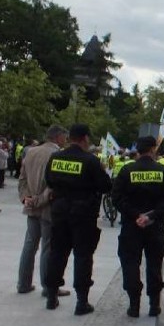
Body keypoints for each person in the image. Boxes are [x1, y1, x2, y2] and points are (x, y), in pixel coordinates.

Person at [44, 124, 112, 314]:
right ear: (84, 139)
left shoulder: (55, 157)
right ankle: (82, 301)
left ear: (69, 138)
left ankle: (51, 297)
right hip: (83, 214)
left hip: (59, 211)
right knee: (83, 256)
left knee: (57, 253)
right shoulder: (90, 161)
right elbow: (106, 186)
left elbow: (48, 180)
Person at [112, 136, 164, 317]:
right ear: (153, 149)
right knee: (155, 264)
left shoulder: (126, 170)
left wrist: (135, 215)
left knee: (130, 263)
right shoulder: (162, 171)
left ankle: (134, 305)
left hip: (131, 226)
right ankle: (154, 305)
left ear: (138, 150)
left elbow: (116, 197)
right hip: (154, 226)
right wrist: (151, 215)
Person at [16, 125, 70, 298]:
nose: (66, 140)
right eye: (65, 137)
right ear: (58, 137)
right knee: (48, 247)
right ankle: (48, 286)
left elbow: (22, 178)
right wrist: (40, 200)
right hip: (47, 207)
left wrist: (26, 198)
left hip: (31, 205)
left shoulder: (30, 152)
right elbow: (54, 184)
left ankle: (23, 283)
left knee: (29, 245)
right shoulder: (57, 155)